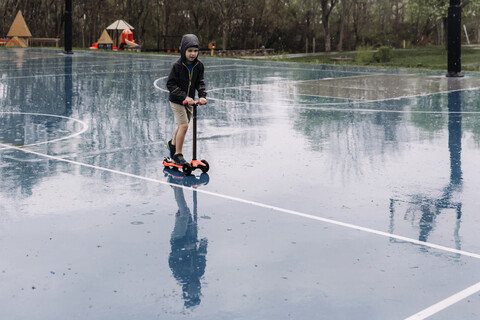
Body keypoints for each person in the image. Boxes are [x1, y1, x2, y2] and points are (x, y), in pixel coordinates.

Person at [166, 34, 207, 165]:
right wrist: (184, 96)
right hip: (177, 100)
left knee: (181, 125)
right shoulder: (177, 66)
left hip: (190, 101)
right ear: (183, 50)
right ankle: (178, 154)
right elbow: (170, 84)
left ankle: (171, 145)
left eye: (195, 51)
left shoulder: (199, 66)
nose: (193, 54)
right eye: (190, 51)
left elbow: (200, 82)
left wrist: (202, 96)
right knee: (184, 125)